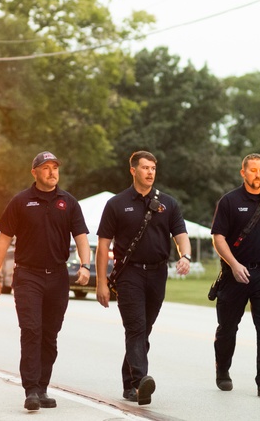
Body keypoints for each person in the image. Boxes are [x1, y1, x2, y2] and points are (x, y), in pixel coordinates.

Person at [0, 151, 90, 411]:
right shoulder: (21, 201)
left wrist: (86, 265)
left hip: (57, 277)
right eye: (46, 168)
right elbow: (3, 241)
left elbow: (81, 237)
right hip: (28, 276)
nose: (52, 172)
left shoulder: (69, 202)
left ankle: (43, 388)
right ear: (34, 172)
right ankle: (30, 390)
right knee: (31, 330)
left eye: (55, 167)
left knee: (50, 335)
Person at [95, 150, 191, 407]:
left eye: (153, 168)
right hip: (130, 274)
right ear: (133, 170)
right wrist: (101, 282)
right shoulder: (116, 203)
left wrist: (186, 256)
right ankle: (141, 382)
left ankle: (129, 382)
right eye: (145, 168)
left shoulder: (168, 203)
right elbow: (103, 245)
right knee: (135, 327)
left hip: (158, 273)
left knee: (144, 329)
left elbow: (180, 234)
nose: (150, 172)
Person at [209, 153, 260, 399]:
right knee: (227, 328)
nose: (257, 174)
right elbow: (218, 237)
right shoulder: (229, 201)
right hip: (234, 274)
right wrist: (233, 264)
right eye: (253, 170)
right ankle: (222, 371)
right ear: (243, 172)